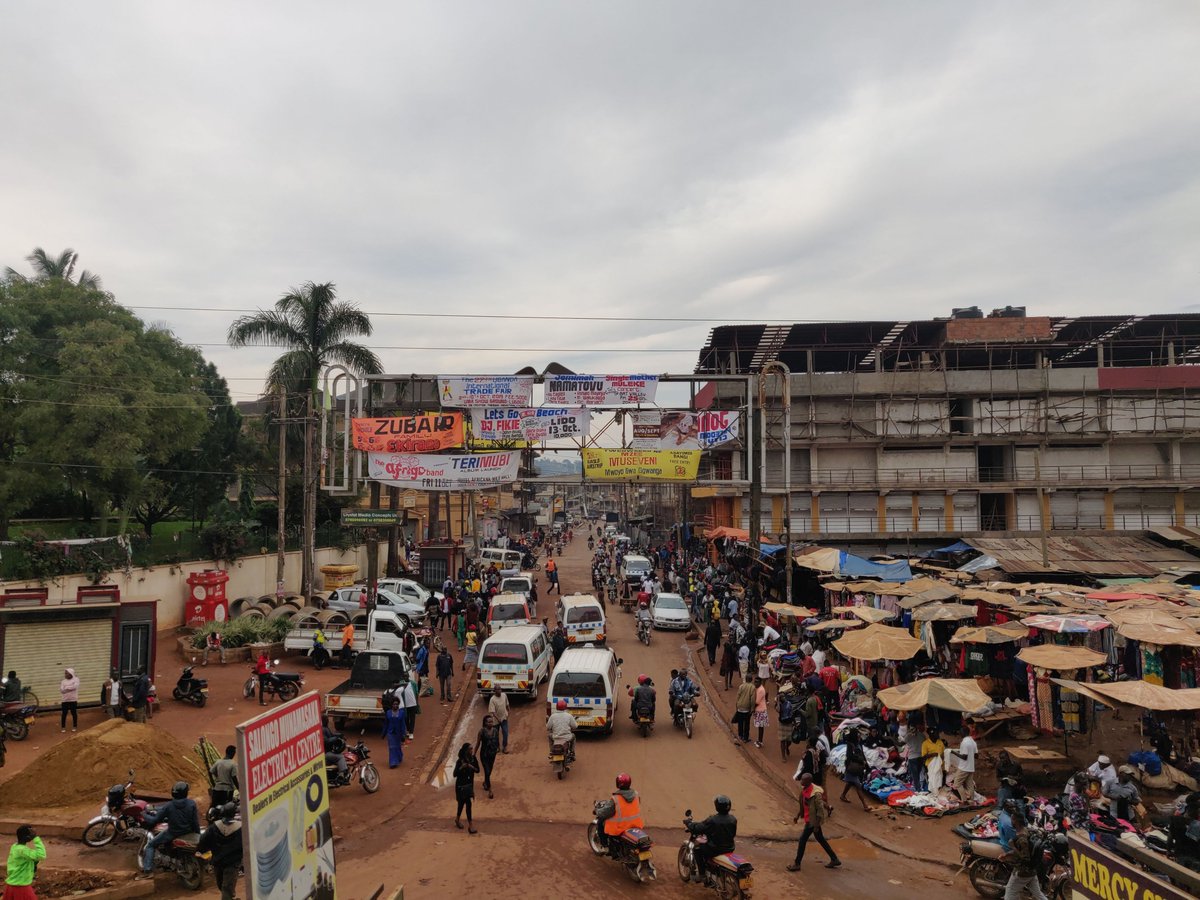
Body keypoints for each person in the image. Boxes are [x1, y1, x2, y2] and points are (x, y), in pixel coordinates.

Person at [138, 781, 200, 879]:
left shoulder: (169, 806)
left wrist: (143, 815)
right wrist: (197, 834)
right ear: (185, 793)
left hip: (173, 833)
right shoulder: (192, 803)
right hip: (188, 832)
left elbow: (154, 820)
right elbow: (195, 822)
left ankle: (148, 871)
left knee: (150, 845)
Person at [787, 772, 840, 872]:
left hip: (813, 821)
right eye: (802, 779)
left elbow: (820, 810)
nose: (801, 781)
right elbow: (804, 805)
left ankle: (797, 864)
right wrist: (797, 815)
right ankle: (834, 859)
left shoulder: (815, 794)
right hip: (810, 819)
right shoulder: (805, 790)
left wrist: (816, 825)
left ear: (808, 781)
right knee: (820, 839)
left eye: (803, 780)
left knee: (802, 840)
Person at [197, 801, 242, 900]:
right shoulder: (241, 828)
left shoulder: (214, 827)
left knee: (224, 887)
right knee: (224, 886)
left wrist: (200, 850)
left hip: (219, 861)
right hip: (232, 862)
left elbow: (203, 840)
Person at [688, 795, 738, 882]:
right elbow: (733, 834)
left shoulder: (713, 820)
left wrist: (690, 824)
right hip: (729, 848)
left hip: (715, 849)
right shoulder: (733, 819)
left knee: (697, 848)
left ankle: (702, 875)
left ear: (717, 806)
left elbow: (699, 828)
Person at [1000, 812, 1048, 900]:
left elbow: (1025, 858)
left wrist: (1013, 847)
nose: (1011, 822)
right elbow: (1023, 851)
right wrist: (1007, 854)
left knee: (1010, 893)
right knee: (1038, 894)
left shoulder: (1022, 838)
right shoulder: (1026, 830)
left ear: (1016, 821)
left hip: (1023, 872)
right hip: (1032, 871)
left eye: (1012, 819)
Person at [599, 773, 644, 855]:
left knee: (600, 821)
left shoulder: (616, 798)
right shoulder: (636, 794)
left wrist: (598, 811)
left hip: (620, 827)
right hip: (635, 825)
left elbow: (605, 812)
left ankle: (604, 846)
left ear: (618, 784)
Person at [4, 825, 46, 900]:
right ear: (27, 837)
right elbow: (41, 855)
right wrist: (36, 838)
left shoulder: (15, 847)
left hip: (12, 884)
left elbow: (26, 860)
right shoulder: (22, 850)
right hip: (20, 886)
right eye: (31, 834)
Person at [839, 730, 871, 811]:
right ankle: (865, 805)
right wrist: (861, 761)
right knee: (858, 785)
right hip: (852, 768)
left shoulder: (858, 744)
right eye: (857, 734)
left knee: (850, 782)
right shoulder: (850, 745)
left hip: (856, 768)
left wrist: (866, 764)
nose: (859, 736)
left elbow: (862, 755)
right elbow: (850, 756)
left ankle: (843, 795)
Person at [453, 743, 480, 833]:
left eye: (472, 749)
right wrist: (461, 767)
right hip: (461, 786)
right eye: (470, 749)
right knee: (466, 803)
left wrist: (471, 767)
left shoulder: (473, 759)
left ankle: (458, 819)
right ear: (465, 751)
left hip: (469, 785)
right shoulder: (460, 761)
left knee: (464, 804)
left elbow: (478, 770)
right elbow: (454, 774)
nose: (471, 751)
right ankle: (470, 825)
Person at [476, 713, 502, 798]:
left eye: (491, 722)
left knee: (489, 771)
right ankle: (490, 790)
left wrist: (498, 748)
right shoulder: (481, 731)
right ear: (485, 723)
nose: (491, 723)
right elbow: (478, 743)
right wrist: (474, 753)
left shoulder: (495, 730)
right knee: (487, 771)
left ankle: (485, 783)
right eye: (489, 722)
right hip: (484, 755)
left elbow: (497, 739)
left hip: (492, 754)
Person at [950, 726, 979, 803]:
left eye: (960, 732)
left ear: (963, 733)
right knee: (970, 785)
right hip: (971, 767)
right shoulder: (973, 742)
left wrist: (954, 752)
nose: (959, 733)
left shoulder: (964, 742)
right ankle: (971, 801)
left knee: (957, 784)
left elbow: (964, 757)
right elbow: (976, 756)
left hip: (964, 767)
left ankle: (964, 800)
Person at [382, 699, 407, 768]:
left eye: (396, 704)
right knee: (392, 747)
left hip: (398, 733)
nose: (395, 705)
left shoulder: (401, 713)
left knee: (397, 746)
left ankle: (399, 756)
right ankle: (393, 762)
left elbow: (403, 724)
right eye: (394, 704)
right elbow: (386, 724)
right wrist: (383, 734)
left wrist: (403, 734)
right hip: (390, 733)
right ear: (391, 705)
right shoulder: (388, 713)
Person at [488, 686, 511, 753]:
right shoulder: (492, 699)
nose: (499, 691)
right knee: (496, 734)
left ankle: (504, 747)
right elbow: (492, 712)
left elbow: (507, 704)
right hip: (496, 720)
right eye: (498, 689)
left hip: (504, 718)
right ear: (494, 691)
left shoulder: (504, 695)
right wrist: (498, 719)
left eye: (500, 689)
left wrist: (509, 711)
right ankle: (497, 747)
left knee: (505, 733)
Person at [733, 676, 755, 744]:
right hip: (747, 708)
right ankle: (745, 738)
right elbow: (752, 699)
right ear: (751, 679)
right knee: (746, 724)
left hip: (740, 707)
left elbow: (737, 697)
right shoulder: (752, 687)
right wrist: (752, 709)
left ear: (745, 679)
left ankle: (740, 736)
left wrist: (737, 706)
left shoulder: (741, 686)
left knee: (740, 723)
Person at [59, 667, 79, 733]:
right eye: (65, 673)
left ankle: (74, 726)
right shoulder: (63, 681)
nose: (65, 674)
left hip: (73, 700)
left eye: (66, 673)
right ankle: (63, 727)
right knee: (64, 714)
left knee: (74, 713)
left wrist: (66, 688)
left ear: (70, 673)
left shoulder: (76, 679)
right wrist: (69, 688)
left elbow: (75, 687)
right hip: (65, 700)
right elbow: (62, 690)